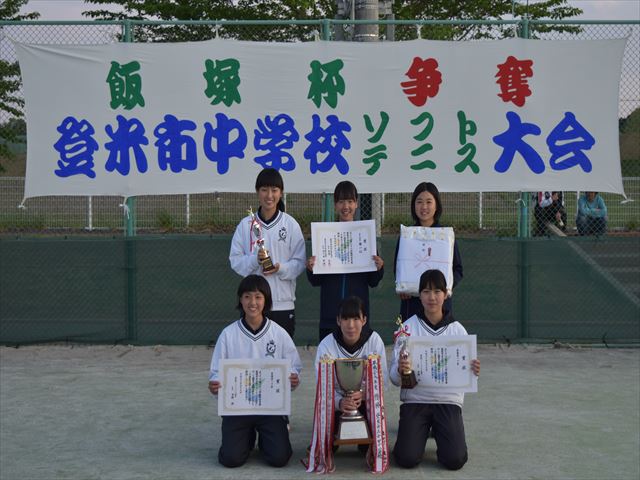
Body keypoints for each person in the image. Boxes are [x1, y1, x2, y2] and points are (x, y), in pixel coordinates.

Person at [208, 274, 302, 468]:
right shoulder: (228, 334)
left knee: (279, 458)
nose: (253, 302)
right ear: (240, 300)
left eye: (258, 297)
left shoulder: (278, 333)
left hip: (270, 408)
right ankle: (247, 436)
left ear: (266, 300)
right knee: (231, 459)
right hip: (238, 409)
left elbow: (294, 366)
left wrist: (293, 378)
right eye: (247, 297)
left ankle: (266, 438)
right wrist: (215, 384)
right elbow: (216, 371)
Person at [390, 269, 480, 470]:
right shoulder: (407, 329)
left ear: (446, 294)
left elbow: (465, 373)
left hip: (447, 402)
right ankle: (417, 434)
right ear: (419, 295)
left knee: (455, 460)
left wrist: (472, 370)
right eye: (426, 291)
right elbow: (394, 378)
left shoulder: (458, 330)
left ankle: (441, 433)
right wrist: (400, 369)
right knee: (406, 458)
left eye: (437, 291)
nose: (432, 297)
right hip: (416, 400)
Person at [229, 168, 306, 338]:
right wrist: (254, 260)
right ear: (257, 192)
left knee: (282, 353)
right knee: (252, 352)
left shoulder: (290, 224)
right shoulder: (246, 224)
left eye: (274, 190)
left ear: (281, 193)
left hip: (282, 305)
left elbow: (300, 263)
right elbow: (235, 260)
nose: (269, 195)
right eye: (264, 190)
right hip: (253, 306)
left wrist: (280, 268)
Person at [306, 181, 384, 342]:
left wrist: (379, 268)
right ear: (335, 205)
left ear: (356, 204)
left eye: (350, 201)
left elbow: (373, 281)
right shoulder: (324, 236)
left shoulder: (365, 236)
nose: (346, 206)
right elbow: (315, 281)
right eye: (341, 201)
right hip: (330, 317)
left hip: (357, 318)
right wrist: (311, 268)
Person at [314, 295, 388, 438]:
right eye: (345, 319)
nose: (351, 325)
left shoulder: (374, 341)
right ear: (338, 320)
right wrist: (339, 402)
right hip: (336, 403)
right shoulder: (326, 344)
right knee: (329, 442)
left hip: (365, 402)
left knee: (368, 444)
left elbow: (382, 380)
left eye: (356, 319)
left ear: (364, 320)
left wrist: (365, 394)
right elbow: (321, 385)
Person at [394, 182, 463, 320]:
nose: (424, 207)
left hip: (440, 308)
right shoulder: (406, 236)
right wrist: (403, 288)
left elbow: (458, 270)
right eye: (419, 202)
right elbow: (399, 267)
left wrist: (444, 288)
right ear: (413, 205)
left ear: (436, 205)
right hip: (411, 305)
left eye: (429, 202)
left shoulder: (446, 236)